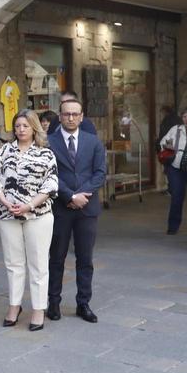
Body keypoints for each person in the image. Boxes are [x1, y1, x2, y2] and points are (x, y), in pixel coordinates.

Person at [0, 110, 58, 332]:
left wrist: (29, 205)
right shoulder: (4, 151)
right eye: (17, 126)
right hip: (7, 215)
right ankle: (14, 305)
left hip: (38, 215)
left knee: (38, 264)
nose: (21, 130)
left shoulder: (45, 154)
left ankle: (38, 308)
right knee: (13, 263)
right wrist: (4, 201)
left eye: (25, 126)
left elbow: (51, 184)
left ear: (34, 127)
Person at [47, 97, 107, 323]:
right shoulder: (48, 142)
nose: (70, 118)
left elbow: (100, 173)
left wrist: (81, 196)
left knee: (85, 259)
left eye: (75, 114)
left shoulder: (93, 142)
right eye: (66, 114)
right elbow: (48, 174)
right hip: (60, 208)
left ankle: (84, 303)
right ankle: (53, 302)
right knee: (57, 257)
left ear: (82, 117)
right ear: (60, 116)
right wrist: (69, 196)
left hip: (86, 209)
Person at [159, 106, 187, 236]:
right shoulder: (176, 130)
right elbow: (163, 142)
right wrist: (168, 146)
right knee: (176, 197)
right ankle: (173, 227)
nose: (186, 119)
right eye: (184, 116)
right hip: (176, 167)